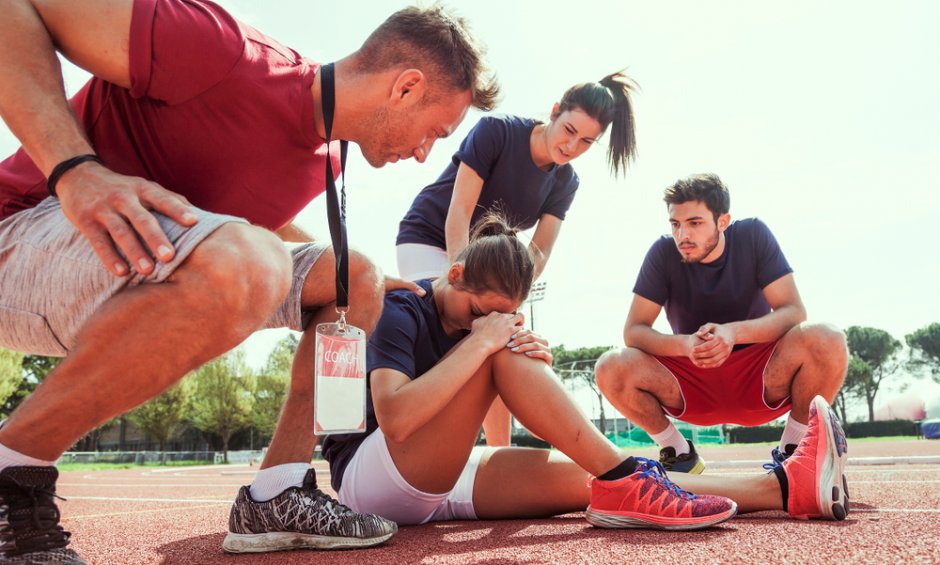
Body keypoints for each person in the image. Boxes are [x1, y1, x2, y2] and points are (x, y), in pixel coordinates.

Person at [0, 0, 498, 562]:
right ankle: (12, 475)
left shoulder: (328, 158)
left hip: (139, 264)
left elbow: (257, 206)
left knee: (352, 274)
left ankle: (276, 493)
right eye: (435, 131)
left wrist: (358, 280)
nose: (422, 153)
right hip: (24, 234)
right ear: (405, 88)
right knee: (257, 257)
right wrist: (75, 170)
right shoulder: (221, 51)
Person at [321, 211, 850, 531]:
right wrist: (488, 347)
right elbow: (394, 417)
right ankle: (626, 479)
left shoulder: (477, 330)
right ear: (453, 274)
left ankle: (787, 487)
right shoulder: (402, 309)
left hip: (445, 477)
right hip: (373, 478)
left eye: (501, 313)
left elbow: (474, 403)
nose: (484, 322)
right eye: (479, 310)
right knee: (499, 352)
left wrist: (517, 361)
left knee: (598, 475)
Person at [396, 72, 637, 446]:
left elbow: (538, 253)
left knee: (502, 341)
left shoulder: (565, 182)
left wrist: (509, 304)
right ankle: (414, 435)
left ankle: (498, 453)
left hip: (488, 266)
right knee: (451, 328)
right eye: (569, 130)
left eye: (587, 141)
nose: (572, 146)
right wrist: (467, 279)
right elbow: (458, 213)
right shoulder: (496, 132)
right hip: (431, 238)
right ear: (555, 112)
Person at [595, 174, 848, 474]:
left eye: (695, 223)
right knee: (610, 365)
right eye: (675, 224)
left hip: (762, 377)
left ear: (723, 221)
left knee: (827, 338)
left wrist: (732, 332)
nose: (682, 235)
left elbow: (793, 311)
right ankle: (678, 453)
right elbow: (634, 330)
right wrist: (687, 344)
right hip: (693, 384)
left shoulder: (753, 235)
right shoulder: (662, 253)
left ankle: (793, 452)